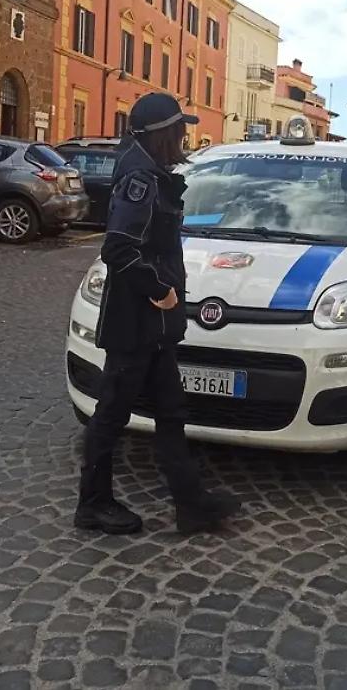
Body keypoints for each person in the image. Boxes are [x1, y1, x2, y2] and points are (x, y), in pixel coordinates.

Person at [74, 93, 241, 536]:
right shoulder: (141, 180)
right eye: (180, 130)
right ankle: (93, 504)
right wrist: (160, 290)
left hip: (154, 326)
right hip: (136, 323)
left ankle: (191, 504)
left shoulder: (150, 172)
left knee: (170, 411)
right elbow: (118, 248)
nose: (184, 138)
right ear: (164, 134)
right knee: (111, 414)